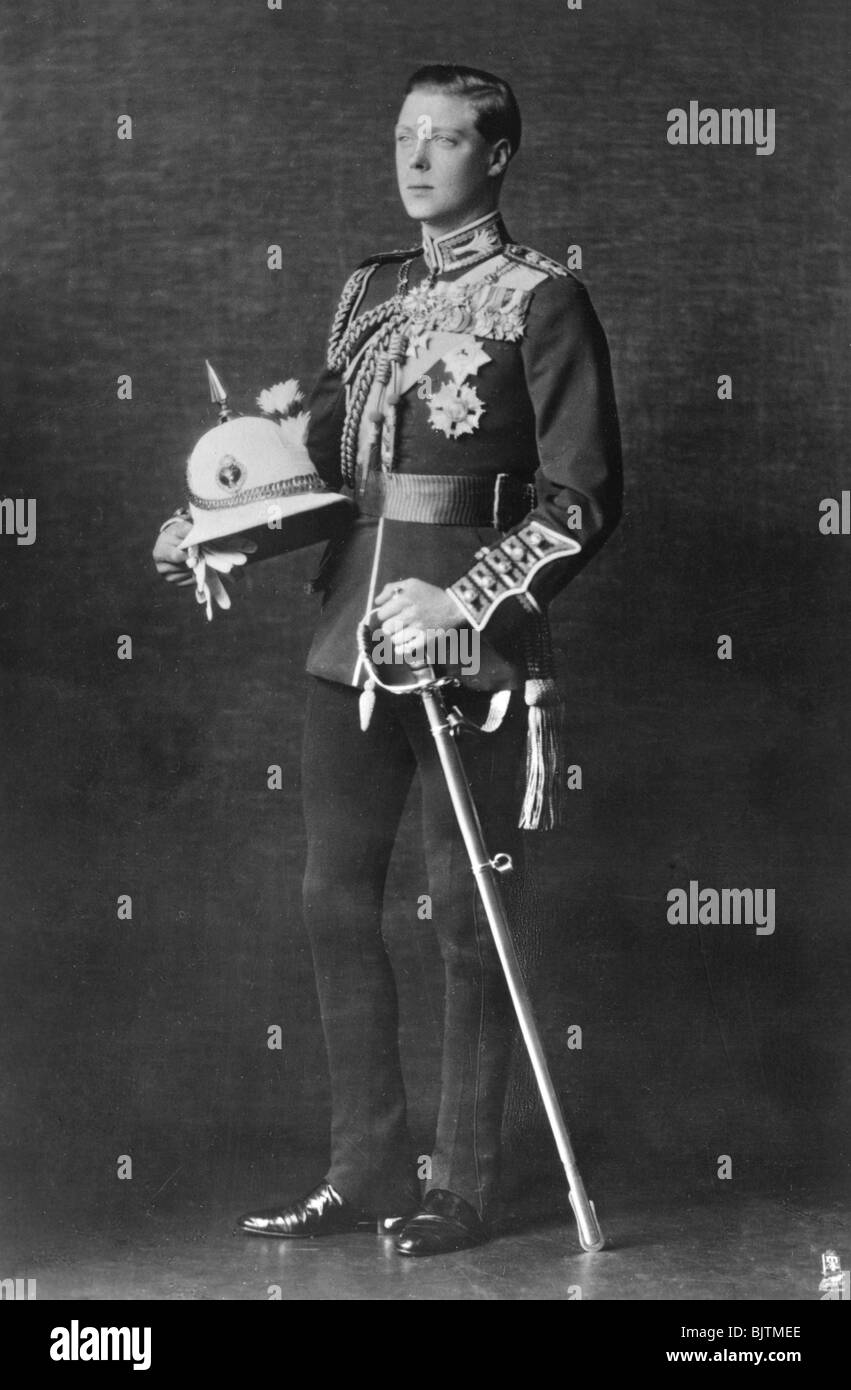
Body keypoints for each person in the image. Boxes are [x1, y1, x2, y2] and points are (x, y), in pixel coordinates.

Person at [153, 63, 622, 1257]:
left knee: (466, 919)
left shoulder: (543, 298)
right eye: (404, 136)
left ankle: (461, 1185)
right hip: (343, 632)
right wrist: (214, 529)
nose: (415, 158)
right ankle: (362, 1168)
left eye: (445, 139)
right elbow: (317, 463)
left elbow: (580, 499)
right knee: (332, 903)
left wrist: (460, 596)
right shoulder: (365, 293)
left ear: (497, 156)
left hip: (471, 640)